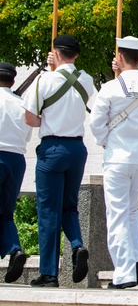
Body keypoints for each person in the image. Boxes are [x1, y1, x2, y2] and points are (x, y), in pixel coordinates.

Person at [21, 34, 94, 288]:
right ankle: (76, 245)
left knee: (49, 211)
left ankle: (49, 272)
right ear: (76, 54)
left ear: (56, 53)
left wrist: (48, 121)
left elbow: (30, 118)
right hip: (77, 148)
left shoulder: (44, 79)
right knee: (69, 206)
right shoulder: (86, 80)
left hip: (52, 147)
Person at [89, 36, 138, 289]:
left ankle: (124, 272)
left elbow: (96, 123)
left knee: (117, 215)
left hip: (118, 158)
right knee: (131, 211)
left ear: (119, 57)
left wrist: (106, 141)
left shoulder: (110, 88)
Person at [0, 61, 31, 283]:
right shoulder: (22, 104)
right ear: (13, 81)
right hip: (17, 159)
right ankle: (14, 249)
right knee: (6, 212)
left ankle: (13, 249)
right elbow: (28, 136)